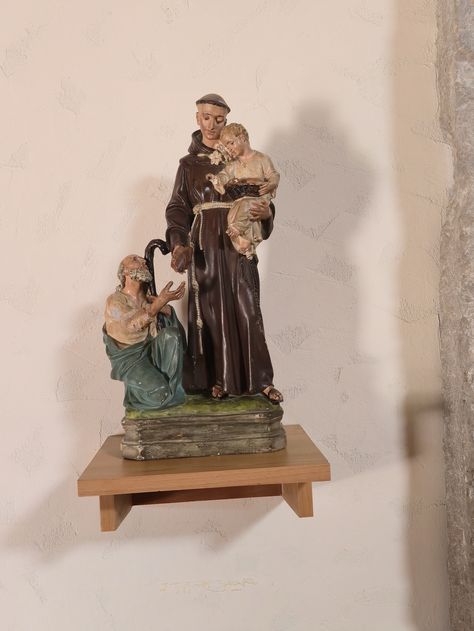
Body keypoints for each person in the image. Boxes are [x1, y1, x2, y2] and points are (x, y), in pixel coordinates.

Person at [165, 93, 283, 403]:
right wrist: (179, 244)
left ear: (227, 121)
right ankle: (215, 380)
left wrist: (266, 213)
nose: (212, 125)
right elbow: (177, 208)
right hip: (205, 245)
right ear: (197, 118)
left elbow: (262, 195)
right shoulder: (188, 165)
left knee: (247, 308)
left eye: (219, 119)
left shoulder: (241, 158)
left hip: (237, 242)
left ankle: (260, 381)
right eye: (206, 117)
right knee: (210, 312)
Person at [103, 254, 186, 411]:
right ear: (124, 272)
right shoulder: (115, 301)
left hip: (153, 352)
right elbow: (129, 326)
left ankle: (172, 387)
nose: (143, 261)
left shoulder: (149, 300)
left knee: (171, 335)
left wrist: (168, 311)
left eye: (142, 260)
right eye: (135, 260)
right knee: (160, 394)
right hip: (132, 360)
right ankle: (141, 397)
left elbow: (177, 337)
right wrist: (158, 304)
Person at [206, 122, 280, 259]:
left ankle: (239, 230)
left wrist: (272, 183)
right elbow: (225, 175)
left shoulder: (261, 159)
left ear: (242, 138)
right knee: (232, 215)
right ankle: (244, 244)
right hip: (241, 199)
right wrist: (216, 180)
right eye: (227, 146)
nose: (229, 148)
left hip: (258, 196)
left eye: (231, 143)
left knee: (247, 208)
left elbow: (273, 175)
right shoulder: (234, 164)